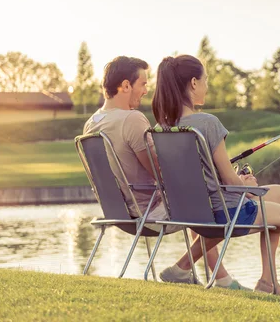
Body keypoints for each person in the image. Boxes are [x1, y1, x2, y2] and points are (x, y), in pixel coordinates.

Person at [152, 54, 280, 301]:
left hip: (194, 212)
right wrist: (244, 184)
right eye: (205, 80)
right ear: (193, 83)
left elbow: (198, 177)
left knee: (278, 194)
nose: (206, 86)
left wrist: (234, 183)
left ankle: (269, 281)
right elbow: (230, 181)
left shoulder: (162, 128)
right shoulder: (208, 123)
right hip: (225, 212)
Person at [83, 56, 247, 289]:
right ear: (126, 85)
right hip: (152, 214)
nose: (146, 90)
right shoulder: (132, 119)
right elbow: (166, 174)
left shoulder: (91, 123)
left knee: (193, 201)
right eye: (142, 84)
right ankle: (201, 274)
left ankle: (220, 278)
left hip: (120, 212)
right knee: (211, 200)